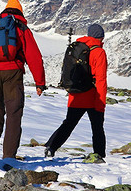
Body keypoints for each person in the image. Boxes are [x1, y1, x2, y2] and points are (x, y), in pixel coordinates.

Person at [0, 0, 46, 159]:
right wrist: (40, 83)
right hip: (12, 73)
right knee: (14, 113)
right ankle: (9, 156)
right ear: (20, 11)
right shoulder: (20, 27)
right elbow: (34, 56)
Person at [45, 24, 108, 161]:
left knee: (68, 124)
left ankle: (51, 147)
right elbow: (101, 80)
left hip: (76, 95)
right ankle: (99, 155)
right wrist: (101, 103)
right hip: (92, 96)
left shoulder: (78, 46)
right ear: (101, 37)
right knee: (97, 127)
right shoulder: (99, 52)